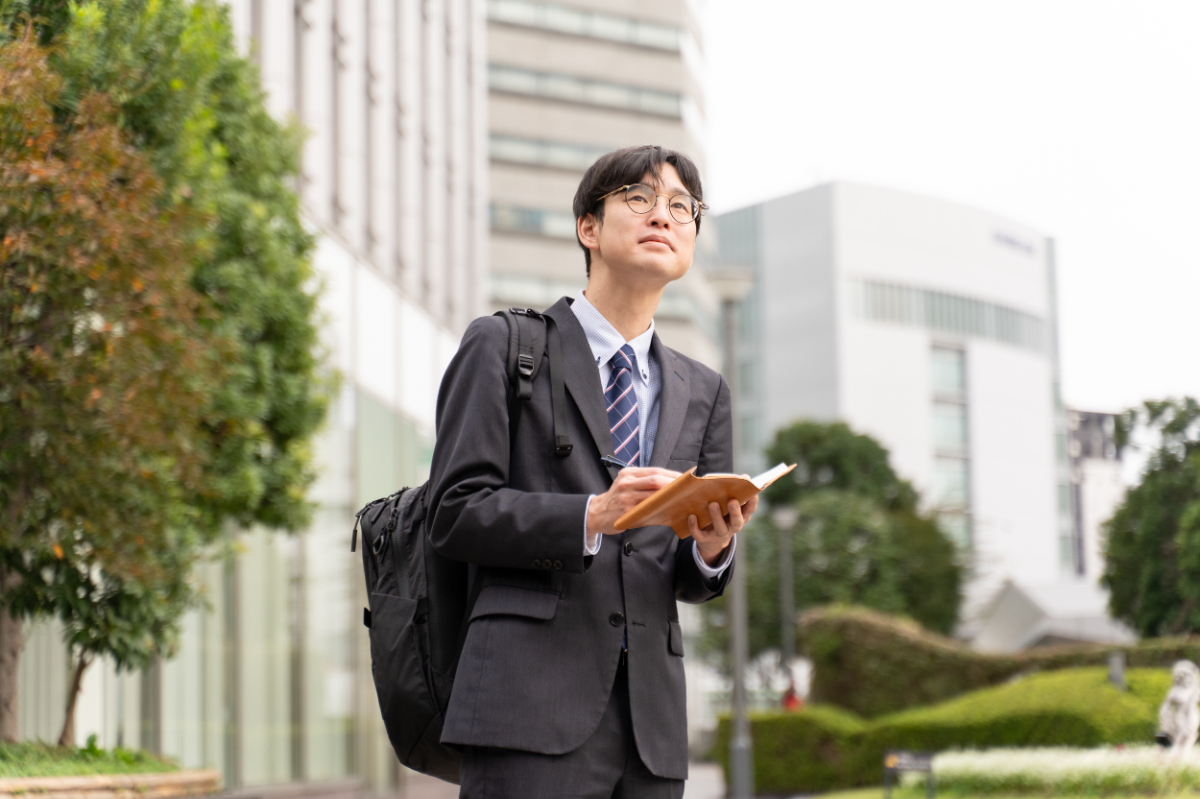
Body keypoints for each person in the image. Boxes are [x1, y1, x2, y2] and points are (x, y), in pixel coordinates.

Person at [427, 145, 758, 799]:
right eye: (639, 198)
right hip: (526, 711)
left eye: (681, 206)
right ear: (589, 227)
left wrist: (715, 548)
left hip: (651, 732)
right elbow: (454, 512)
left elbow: (688, 578)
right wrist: (591, 515)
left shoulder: (705, 389)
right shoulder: (503, 345)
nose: (662, 215)